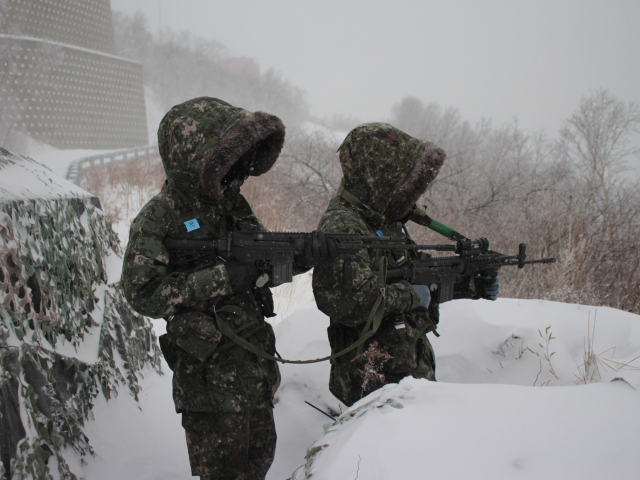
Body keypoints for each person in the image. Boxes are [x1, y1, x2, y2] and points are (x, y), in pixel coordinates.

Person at [121, 97, 319, 480]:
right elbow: (140, 291)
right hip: (208, 377)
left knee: (259, 460)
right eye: (225, 158)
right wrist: (223, 279)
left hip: (252, 363)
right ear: (195, 157)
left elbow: (261, 258)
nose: (235, 168)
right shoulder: (161, 215)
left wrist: (306, 254)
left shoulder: (233, 205)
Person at [312, 123, 500, 407]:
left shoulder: (387, 220)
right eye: (397, 178)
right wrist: (411, 294)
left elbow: (416, 277)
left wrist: (472, 284)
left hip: (406, 370)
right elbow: (347, 302)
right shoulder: (344, 224)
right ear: (378, 174)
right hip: (370, 381)